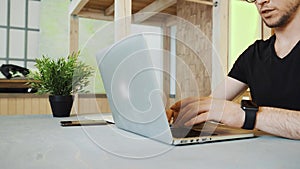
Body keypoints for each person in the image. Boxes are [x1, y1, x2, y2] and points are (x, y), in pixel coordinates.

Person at [166, 0, 300, 139]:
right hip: (261, 155)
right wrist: (187, 111)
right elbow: (214, 102)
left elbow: (238, 114)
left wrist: (246, 115)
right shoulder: (254, 54)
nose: (260, 1)